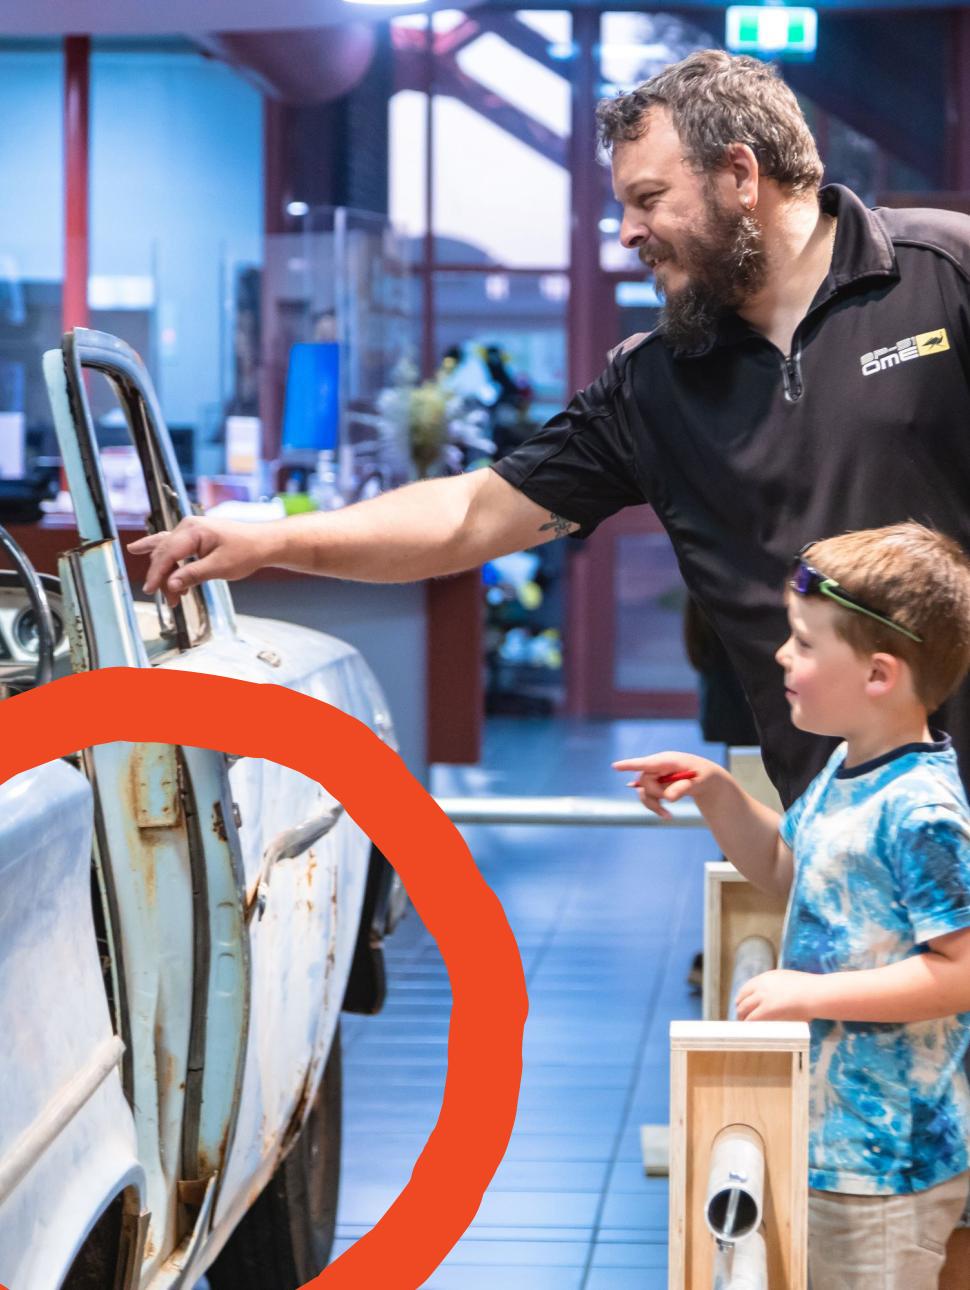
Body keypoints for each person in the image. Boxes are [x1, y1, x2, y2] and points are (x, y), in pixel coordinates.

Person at [129, 49, 970, 808]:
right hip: (852, 828)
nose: (630, 231)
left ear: (740, 175)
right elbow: (471, 517)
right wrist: (270, 543)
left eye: (649, 199)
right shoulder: (657, 385)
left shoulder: (942, 276)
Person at [614, 523, 970, 1290]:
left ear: (879, 675)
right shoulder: (851, 765)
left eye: (805, 643)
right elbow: (790, 869)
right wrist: (717, 793)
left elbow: (962, 970)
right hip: (830, 1137)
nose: (782, 655)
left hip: (885, 1165)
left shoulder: (923, 811)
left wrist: (813, 994)